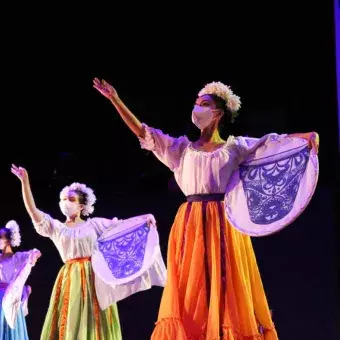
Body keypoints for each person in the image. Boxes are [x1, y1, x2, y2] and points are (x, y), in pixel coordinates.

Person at [93, 78, 319, 339]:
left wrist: (306, 137)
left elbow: (272, 143)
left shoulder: (235, 147)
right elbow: (144, 133)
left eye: (204, 104)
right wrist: (115, 99)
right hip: (190, 222)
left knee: (225, 282)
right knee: (192, 285)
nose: (197, 108)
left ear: (218, 113)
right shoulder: (181, 150)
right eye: (196, 103)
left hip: (224, 221)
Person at [11, 165, 166, 340]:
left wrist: (145, 219)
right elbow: (33, 212)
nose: (65, 202)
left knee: (95, 319)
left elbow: (122, 227)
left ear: (81, 206)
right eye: (63, 199)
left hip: (95, 275)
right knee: (72, 318)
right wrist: (25, 182)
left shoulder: (93, 225)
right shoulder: (57, 228)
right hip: (70, 276)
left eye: (71, 199)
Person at [0, 220, 41, 340]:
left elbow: (36, 252)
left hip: (11, 296)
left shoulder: (17, 257)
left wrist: (33, 258)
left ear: (8, 240)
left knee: (9, 326)